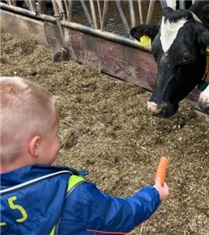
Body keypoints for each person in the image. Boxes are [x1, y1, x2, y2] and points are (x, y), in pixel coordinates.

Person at [0, 76, 169, 234]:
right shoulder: (72, 195)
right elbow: (124, 216)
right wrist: (154, 195)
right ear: (35, 146)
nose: (59, 143)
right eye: (55, 135)